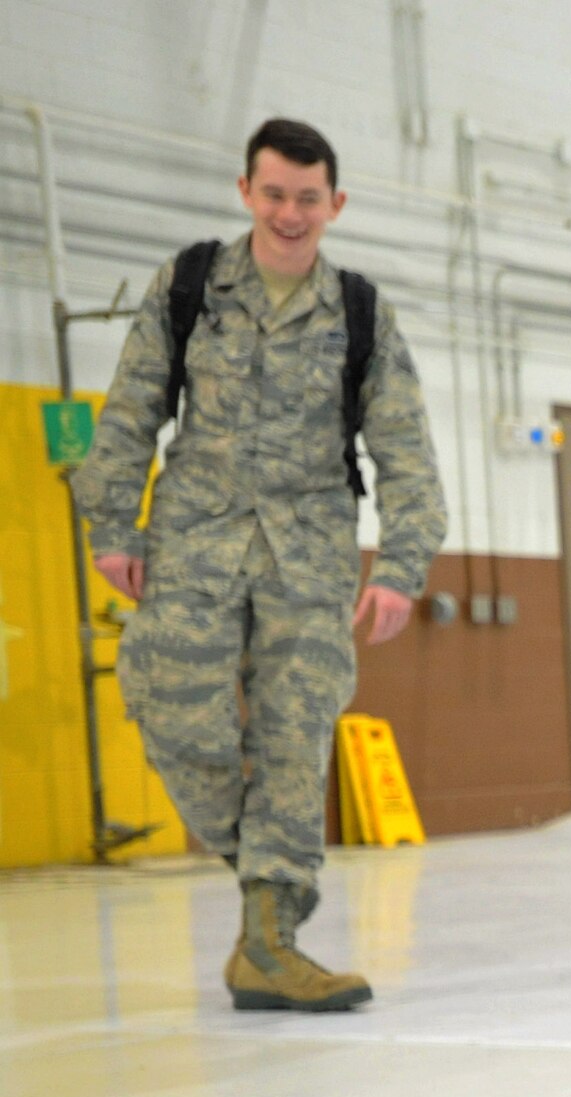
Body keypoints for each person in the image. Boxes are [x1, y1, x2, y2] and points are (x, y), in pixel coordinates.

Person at [73, 118, 447, 1011]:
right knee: (169, 705)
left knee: (293, 735)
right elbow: (130, 408)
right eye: (273, 194)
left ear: (335, 204)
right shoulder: (192, 284)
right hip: (194, 541)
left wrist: (400, 564)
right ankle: (266, 877)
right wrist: (111, 525)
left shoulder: (359, 309)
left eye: (307, 198)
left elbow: (405, 448)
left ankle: (268, 942)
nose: (289, 213)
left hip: (309, 556)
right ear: (247, 192)